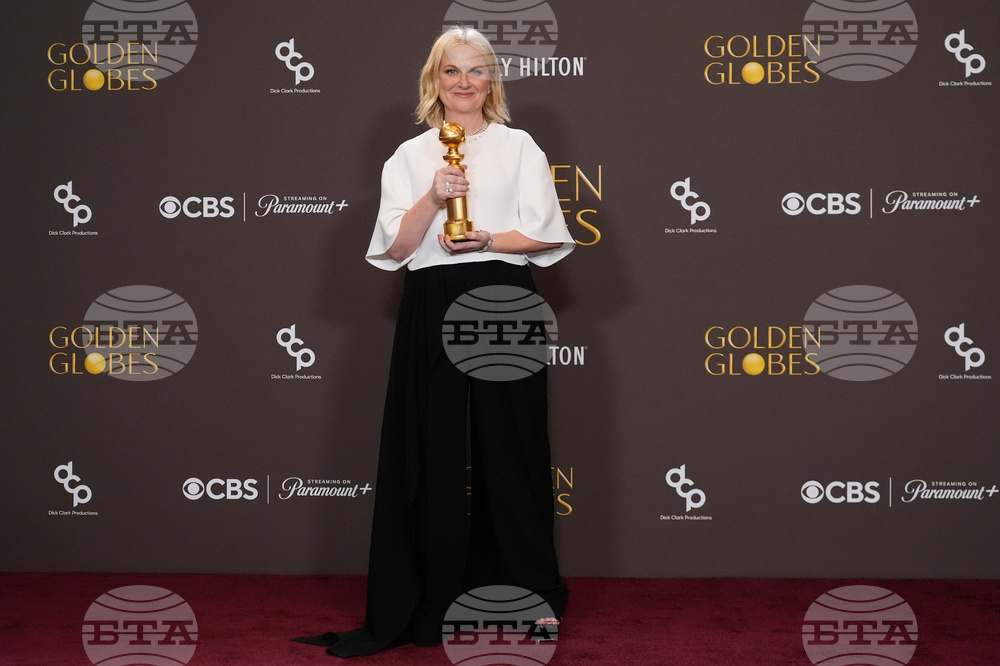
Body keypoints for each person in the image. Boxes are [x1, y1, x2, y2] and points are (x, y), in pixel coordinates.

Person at [296, 26, 573, 657]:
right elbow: (394, 249)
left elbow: (547, 237)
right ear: (434, 80)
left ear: (491, 82)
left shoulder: (519, 146)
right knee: (432, 450)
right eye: (453, 71)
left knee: (515, 450)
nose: (465, 82)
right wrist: (432, 197)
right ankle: (432, 599)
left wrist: (485, 241)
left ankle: (533, 596)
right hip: (431, 301)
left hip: (503, 297)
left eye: (477, 71)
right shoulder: (409, 155)